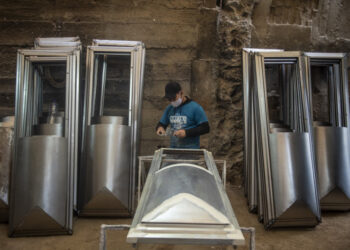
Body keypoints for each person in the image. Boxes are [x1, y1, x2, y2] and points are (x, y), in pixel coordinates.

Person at [156, 81, 210, 149]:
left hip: (191, 151)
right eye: (170, 99)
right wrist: (160, 128)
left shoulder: (195, 108)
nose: (172, 101)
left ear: (181, 93)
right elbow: (161, 124)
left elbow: (205, 128)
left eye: (174, 98)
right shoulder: (169, 109)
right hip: (173, 150)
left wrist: (187, 133)